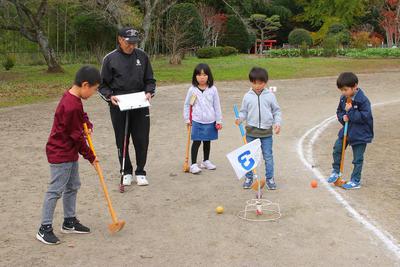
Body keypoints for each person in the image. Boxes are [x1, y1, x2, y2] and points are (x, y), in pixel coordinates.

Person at [36, 66, 100, 245]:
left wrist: (87, 122)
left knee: (72, 185)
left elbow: (80, 117)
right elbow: (78, 138)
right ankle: (44, 228)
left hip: (69, 152)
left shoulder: (74, 98)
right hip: (61, 153)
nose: (93, 94)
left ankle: (69, 221)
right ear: (85, 85)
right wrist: (91, 156)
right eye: (94, 90)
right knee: (55, 189)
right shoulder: (71, 105)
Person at [99, 27, 156, 186]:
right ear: (120, 39)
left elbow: (150, 81)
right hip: (119, 104)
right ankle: (126, 170)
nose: (132, 46)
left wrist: (149, 92)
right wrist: (110, 97)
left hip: (140, 102)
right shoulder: (110, 58)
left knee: (141, 139)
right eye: (129, 42)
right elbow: (102, 85)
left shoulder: (142, 56)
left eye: (134, 43)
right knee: (122, 139)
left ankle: (140, 171)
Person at [236, 67, 281, 190]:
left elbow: (276, 111)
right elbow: (243, 112)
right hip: (251, 132)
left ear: (265, 82)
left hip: (266, 133)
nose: (257, 86)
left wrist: (277, 123)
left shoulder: (270, 96)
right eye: (254, 83)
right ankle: (249, 177)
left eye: (260, 83)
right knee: (250, 157)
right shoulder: (247, 96)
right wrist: (239, 119)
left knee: (268, 156)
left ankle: (270, 178)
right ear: (251, 82)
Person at [327, 72, 374, 189]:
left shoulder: (363, 101)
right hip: (347, 130)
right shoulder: (343, 98)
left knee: (357, 159)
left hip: (360, 134)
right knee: (337, 148)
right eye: (341, 90)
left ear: (355, 86)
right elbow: (339, 112)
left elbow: (365, 117)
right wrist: (343, 117)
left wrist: (351, 111)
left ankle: (355, 180)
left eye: (345, 90)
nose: (343, 93)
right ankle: (336, 171)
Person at [183, 63, 222, 174]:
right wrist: (187, 119)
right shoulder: (192, 90)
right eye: (199, 75)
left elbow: (217, 105)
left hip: (210, 120)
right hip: (197, 120)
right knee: (196, 141)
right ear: (195, 76)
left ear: (208, 76)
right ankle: (194, 164)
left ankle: (205, 161)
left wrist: (218, 120)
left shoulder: (213, 89)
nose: (202, 77)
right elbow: (187, 105)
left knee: (207, 141)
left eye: (205, 75)